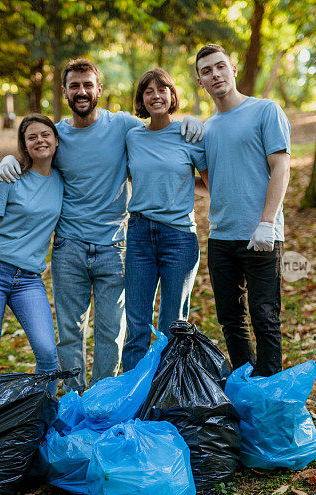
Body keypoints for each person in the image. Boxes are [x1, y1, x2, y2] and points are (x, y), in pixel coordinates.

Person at [0, 58, 204, 393]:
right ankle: (73, 400)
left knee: (111, 332)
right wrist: (10, 158)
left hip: (116, 246)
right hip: (69, 247)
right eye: (74, 86)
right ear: (64, 91)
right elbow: (32, 153)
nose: (81, 92)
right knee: (70, 332)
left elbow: (158, 129)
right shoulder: (58, 135)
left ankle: (103, 399)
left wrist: (188, 122)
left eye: (87, 85)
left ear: (99, 89)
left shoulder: (121, 125)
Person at [195, 43, 291, 377]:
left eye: (220, 66)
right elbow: (211, 181)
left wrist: (267, 223)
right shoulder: (205, 130)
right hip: (221, 238)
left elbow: (281, 167)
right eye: (207, 71)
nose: (215, 74)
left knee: (265, 317)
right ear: (200, 83)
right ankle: (246, 389)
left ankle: (270, 394)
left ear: (233, 69)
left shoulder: (265, 110)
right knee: (231, 322)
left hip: (261, 236)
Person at [0, 114, 62, 393]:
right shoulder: (9, 177)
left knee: (47, 353)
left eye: (45, 134)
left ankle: (42, 417)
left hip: (29, 279)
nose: (40, 141)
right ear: (24, 145)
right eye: (32, 137)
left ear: (56, 140)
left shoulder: (62, 180)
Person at [121, 68, 207, 372]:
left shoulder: (189, 134)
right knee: (136, 326)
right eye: (148, 91)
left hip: (179, 237)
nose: (155, 96)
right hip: (140, 234)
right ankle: (132, 398)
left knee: (173, 326)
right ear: (141, 99)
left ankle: (169, 398)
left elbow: (211, 182)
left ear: (172, 96)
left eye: (162, 89)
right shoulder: (133, 137)